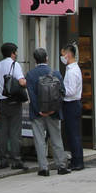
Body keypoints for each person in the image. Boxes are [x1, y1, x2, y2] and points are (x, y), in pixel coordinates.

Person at [24, 47, 68, 177]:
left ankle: (44, 168)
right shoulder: (56, 73)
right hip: (53, 112)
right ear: (47, 58)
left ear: (34, 60)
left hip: (37, 113)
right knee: (56, 139)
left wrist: (39, 110)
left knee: (39, 140)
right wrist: (53, 108)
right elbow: (63, 92)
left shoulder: (30, 74)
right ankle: (61, 166)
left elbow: (31, 94)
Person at [0, 42, 26, 169]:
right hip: (14, 102)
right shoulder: (14, 65)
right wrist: (29, 84)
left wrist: (1, 90)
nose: (16, 54)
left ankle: (3, 160)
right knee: (15, 132)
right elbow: (21, 82)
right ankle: (16, 160)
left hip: (2, 102)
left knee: (3, 131)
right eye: (16, 52)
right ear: (12, 53)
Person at [60, 43, 85, 171]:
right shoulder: (73, 69)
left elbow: (71, 91)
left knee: (73, 134)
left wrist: (60, 92)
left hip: (71, 103)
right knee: (74, 133)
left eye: (63, 54)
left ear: (68, 55)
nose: (62, 57)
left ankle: (77, 161)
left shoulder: (72, 72)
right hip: (73, 104)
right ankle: (78, 159)